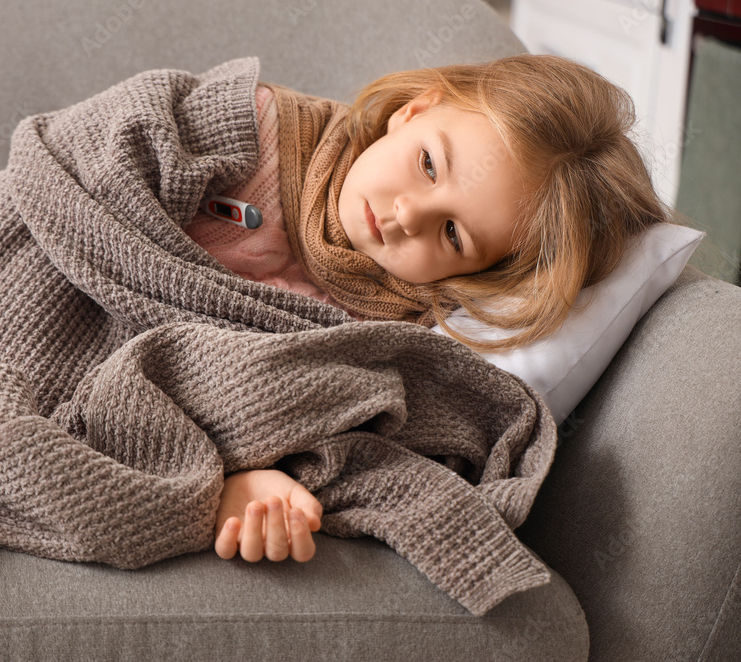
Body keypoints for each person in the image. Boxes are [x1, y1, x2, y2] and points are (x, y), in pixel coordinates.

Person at [207, 54, 668, 563]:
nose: (406, 215)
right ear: (415, 110)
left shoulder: (394, 345)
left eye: (452, 233)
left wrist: (253, 473)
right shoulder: (253, 130)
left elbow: (345, 438)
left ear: (480, 274)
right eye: (429, 164)